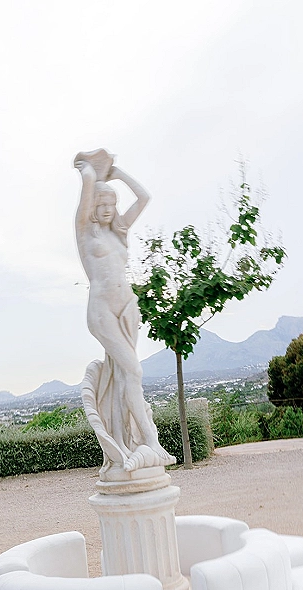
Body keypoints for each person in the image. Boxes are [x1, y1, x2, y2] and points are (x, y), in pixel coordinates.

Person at [74, 151, 173, 472]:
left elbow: (144, 197)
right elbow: (86, 191)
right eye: (100, 204)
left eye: (111, 204)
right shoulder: (85, 232)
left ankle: (126, 441)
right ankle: (151, 441)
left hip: (127, 309)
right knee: (134, 371)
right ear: (92, 207)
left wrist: (117, 174)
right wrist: (90, 173)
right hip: (102, 311)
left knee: (123, 378)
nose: (106, 209)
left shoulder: (118, 232)